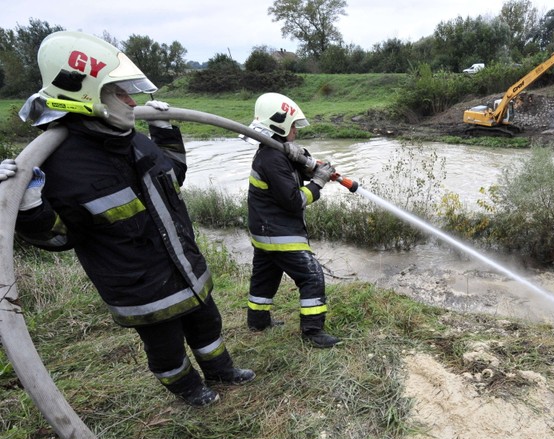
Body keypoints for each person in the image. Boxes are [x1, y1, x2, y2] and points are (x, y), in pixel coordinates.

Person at [8, 31, 254, 407]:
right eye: (119, 93)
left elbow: (174, 176)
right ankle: (189, 390)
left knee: (208, 325)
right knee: (167, 349)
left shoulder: (131, 137)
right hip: (142, 289)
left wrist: (165, 131)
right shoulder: (63, 162)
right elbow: (58, 238)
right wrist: (27, 204)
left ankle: (222, 370)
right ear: (87, 95)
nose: (130, 101)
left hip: (185, 268)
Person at [243, 93, 341, 348]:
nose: (296, 129)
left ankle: (257, 320)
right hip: (278, 231)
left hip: (263, 230)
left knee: (266, 275)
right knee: (311, 276)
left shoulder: (274, 153)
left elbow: (296, 169)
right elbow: (294, 200)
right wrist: (318, 182)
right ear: (279, 124)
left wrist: (305, 159)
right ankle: (313, 331)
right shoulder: (273, 158)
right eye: (293, 125)